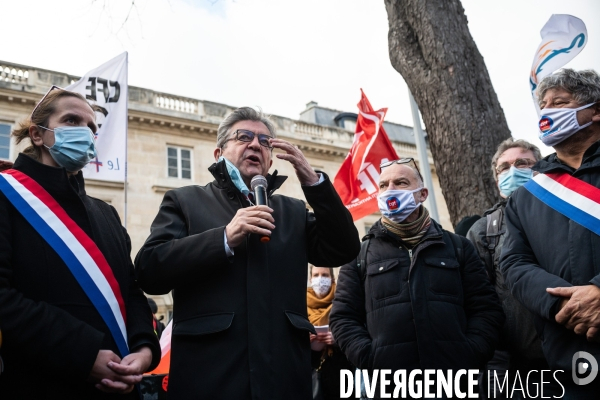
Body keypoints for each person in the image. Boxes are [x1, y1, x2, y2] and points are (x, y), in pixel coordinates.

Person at [135, 107, 360, 399]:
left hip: (284, 381)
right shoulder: (186, 201)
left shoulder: (292, 211)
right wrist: (224, 238)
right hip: (210, 381)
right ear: (219, 153)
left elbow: (344, 247)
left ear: (269, 160)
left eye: (265, 141)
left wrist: (314, 183)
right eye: (244, 137)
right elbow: (149, 270)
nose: (256, 144)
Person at [0, 87, 160, 399]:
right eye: (72, 121)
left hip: (122, 385)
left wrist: (143, 351)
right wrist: (84, 353)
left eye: (91, 128)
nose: (85, 132)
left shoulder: (106, 213)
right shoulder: (6, 194)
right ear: (37, 134)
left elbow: (131, 292)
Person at [330, 158, 504, 398]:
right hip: (389, 387)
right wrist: (371, 358)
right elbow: (343, 318)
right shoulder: (359, 254)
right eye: (383, 185)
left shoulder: (458, 247)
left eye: (400, 182)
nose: (389, 190)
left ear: (422, 194)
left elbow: (486, 309)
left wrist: (470, 354)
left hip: (455, 384)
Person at [500, 68, 600, 398]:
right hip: (568, 363)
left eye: (559, 102)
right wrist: (566, 306)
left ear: (595, 111)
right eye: (543, 106)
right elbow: (514, 266)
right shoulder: (525, 197)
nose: (547, 112)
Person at [466, 138, 544, 398]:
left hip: (576, 355)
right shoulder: (482, 232)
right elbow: (479, 305)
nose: (513, 171)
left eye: (523, 163)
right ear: (497, 179)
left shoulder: (567, 215)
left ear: (540, 169)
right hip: (514, 370)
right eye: (504, 167)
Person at [308, 265, 354, 400]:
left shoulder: (343, 302)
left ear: (332, 279)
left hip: (342, 376)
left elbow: (356, 333)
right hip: (312, 377)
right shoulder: (301, 305)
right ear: (310, 279)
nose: (320, 280)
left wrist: (338, 339)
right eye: (316, 275)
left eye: (325, 275)